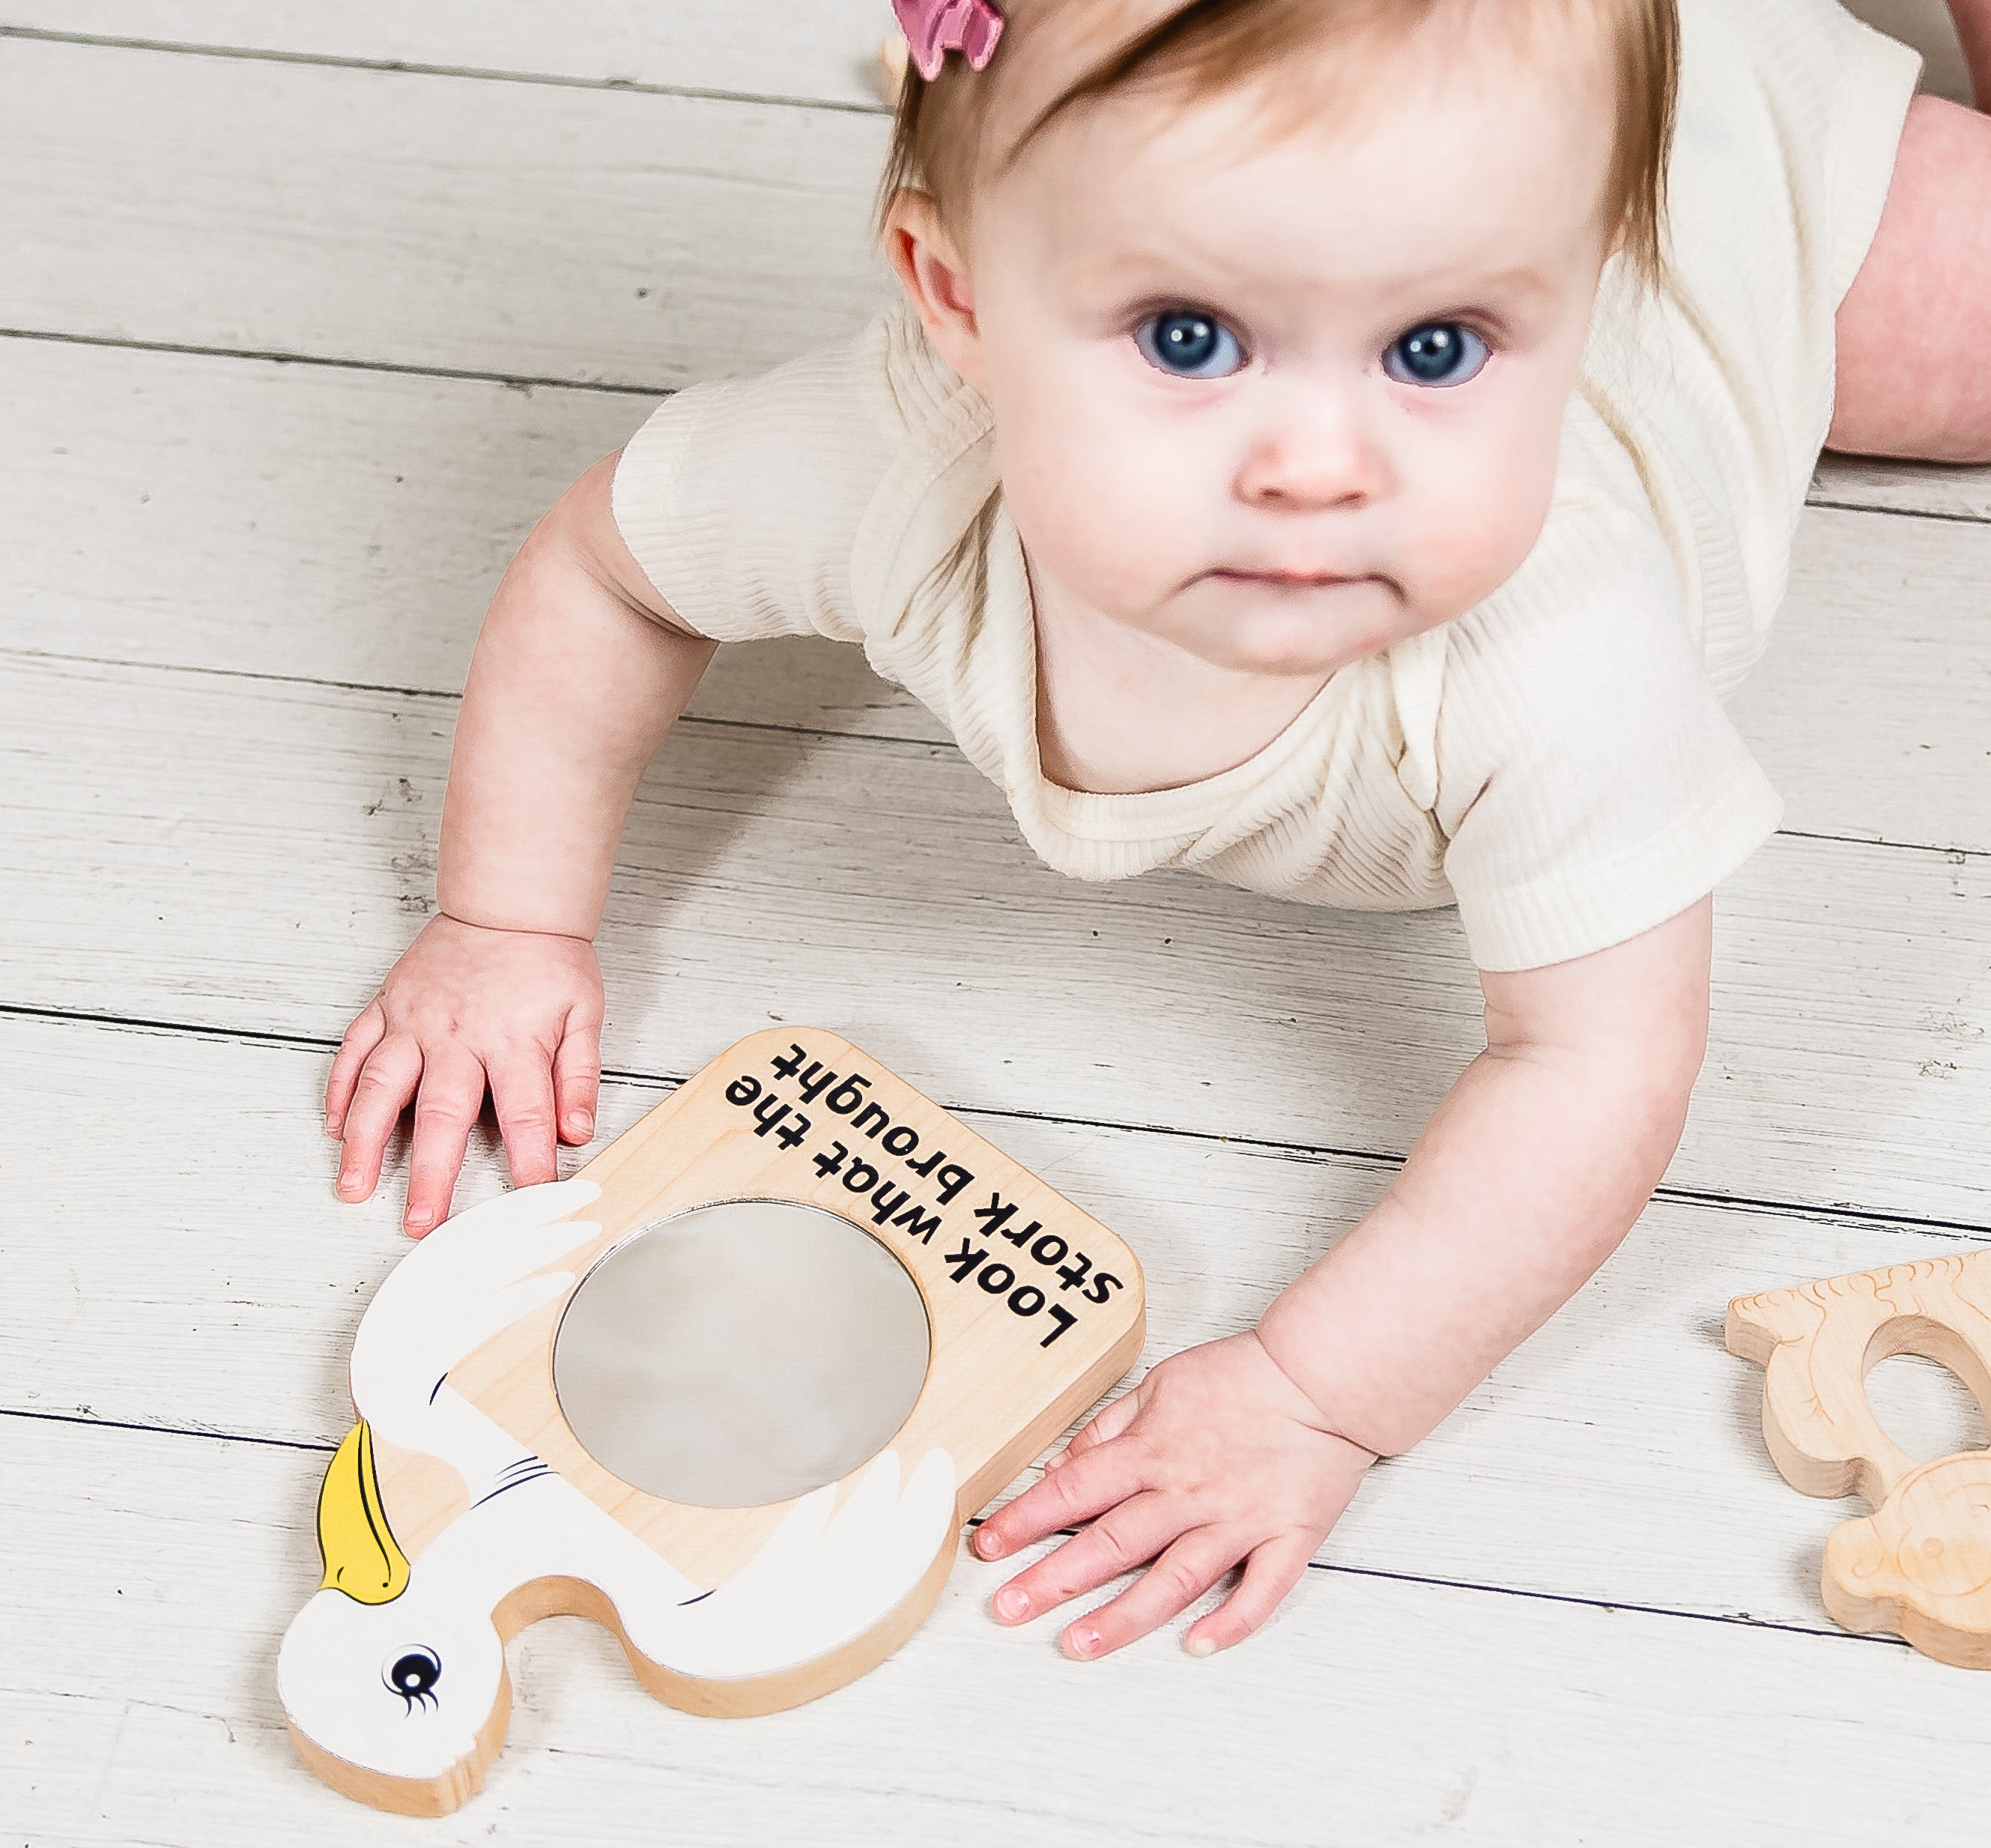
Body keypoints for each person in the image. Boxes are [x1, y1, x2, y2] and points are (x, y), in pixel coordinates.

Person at [324, 0, 1991, 1662]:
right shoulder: (897, 461)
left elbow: (1594, 1068)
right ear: (958, 298)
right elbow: (609, 571)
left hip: (1748, 178)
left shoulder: (1554, 647)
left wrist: (1317, 1393)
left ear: (1588, 291)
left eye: (1438, 351)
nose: (1320, 465)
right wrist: (507, 922)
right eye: (1191, 340)